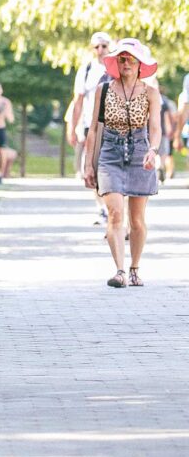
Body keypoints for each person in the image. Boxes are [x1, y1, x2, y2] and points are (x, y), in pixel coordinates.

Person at [83, 38, 161, 289]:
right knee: (115, 212)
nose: (125, 62)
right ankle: (119, 271)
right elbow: (94, 129)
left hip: (139, 151)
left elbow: (156, 129)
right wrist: (88, 165)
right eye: (121, 58)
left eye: (130, 59)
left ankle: (135, 268)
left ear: (140, 64)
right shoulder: (103, 90)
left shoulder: (151, 93)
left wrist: (153, 150)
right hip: (110, 152)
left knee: (136, 220)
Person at [67, 32, 112, 223]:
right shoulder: (86, 70)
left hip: (113, 124)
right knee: (92, 166)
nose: (100, 50)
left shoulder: (117, 67)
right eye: (96, 47)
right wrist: (73, 126)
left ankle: (113, 208)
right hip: (90, 124)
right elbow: (77, 101)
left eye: (103, 46)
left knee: (111, 166)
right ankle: (101, 207)